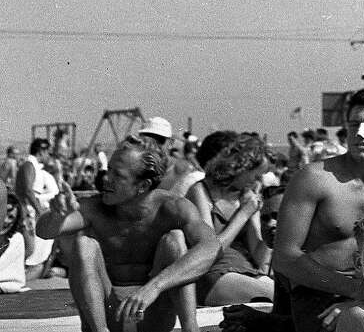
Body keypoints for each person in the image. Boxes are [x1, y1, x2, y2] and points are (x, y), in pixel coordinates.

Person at [35, 137, 218, 332]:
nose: (106, 178)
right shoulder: (95, 207)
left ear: (143, 185)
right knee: (84, 244)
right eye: (109, 170)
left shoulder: (173, 208)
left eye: (118, 175)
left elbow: (212, 247)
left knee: (175, 240)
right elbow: (44, 231)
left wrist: (154, 287)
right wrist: (57, 215)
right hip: (108, 315)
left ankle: (191, 329)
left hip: (152, 315)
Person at [273, 89, 364, 332]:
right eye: (355, 125)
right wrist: (354, 291)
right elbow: (284, 257)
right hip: (319, 296)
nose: (361, 134)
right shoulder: (315, 178)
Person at [189, 131, 274, 306]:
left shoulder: (247, 195)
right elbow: (209, 250)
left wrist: (271, 234)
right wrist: (243, 214)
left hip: (248, 271)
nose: (258, 181)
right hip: (212, 273)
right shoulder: (201, 191)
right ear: (240, 167)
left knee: (291, 295)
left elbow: (258, 254)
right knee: (280, 298)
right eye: (256, 175)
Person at [15, 137, 59, 268]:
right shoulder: (29, 165)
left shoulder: (33, 166)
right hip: (25, 210)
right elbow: (28, 190)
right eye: (48, 152)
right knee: (28, 249)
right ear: (41, 151)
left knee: (29, 249)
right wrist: (39, 210)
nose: (48, 156)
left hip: (28, 210)